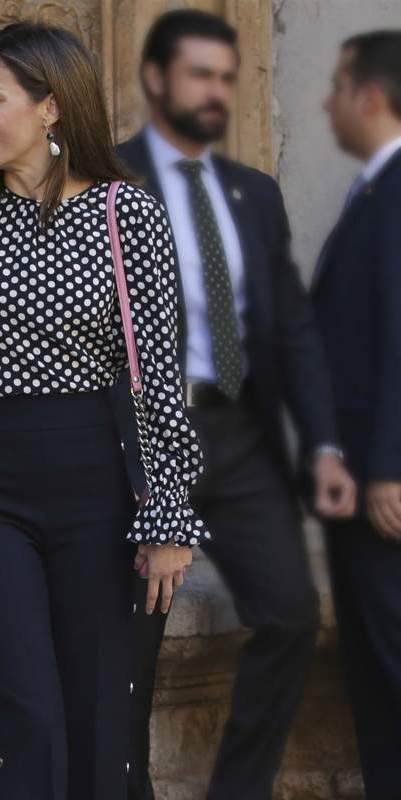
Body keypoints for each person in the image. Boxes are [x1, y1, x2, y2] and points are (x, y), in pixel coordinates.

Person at [0, 22, 204, 800]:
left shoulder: (125, 215)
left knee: (105, 717)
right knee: (25, 712)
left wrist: (169, 515)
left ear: (50, 107)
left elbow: (159, 375)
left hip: (100, 487)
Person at [116, 11, 357, 799]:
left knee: (290, 615)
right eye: (199, 75)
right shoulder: (108, 183)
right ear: (157, 80)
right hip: (146, 433)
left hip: (236, 431)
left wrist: (323, 447)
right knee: (130, 641)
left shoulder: (254, 193)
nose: (216, 92)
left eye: (228, 77)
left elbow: (290, 328)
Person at [316, 29, 401, 798]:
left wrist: (389, 466)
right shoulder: (373, 189)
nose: (326, 102)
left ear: (370, 96)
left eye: (338, 85)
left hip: (388, 491)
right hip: (359, 482)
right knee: (373, 676)